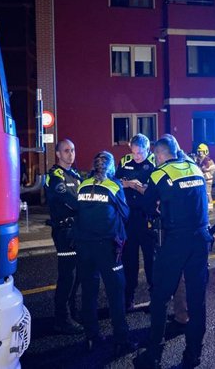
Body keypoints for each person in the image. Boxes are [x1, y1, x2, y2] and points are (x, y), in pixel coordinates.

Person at [134, 135, 213, 369]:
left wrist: (157, 205)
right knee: (197, 302)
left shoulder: (159, 174)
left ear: (159, 155)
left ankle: (153, 357)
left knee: (159, 298)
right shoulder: (194, 168)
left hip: (176, 242)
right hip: (200, 240)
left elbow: (147, 205)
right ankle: (192, 357)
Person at [75, 151, 138, 355]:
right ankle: (121, 339)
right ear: (110, 168)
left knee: (89, 293)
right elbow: (125, 213)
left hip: (84, 246)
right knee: (115, 293)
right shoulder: (113, 185)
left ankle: (91, 336)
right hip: (107, 247)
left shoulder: (83, 185)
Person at [45, 139, 83, 334]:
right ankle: (62, 318)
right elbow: (73, 201)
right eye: (66, 151)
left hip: (77, 230)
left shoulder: (74, 175)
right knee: (67, 276)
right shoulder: (55, 176)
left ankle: (72, 312)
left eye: (73, 150)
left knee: (76, 276)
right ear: (58, 154)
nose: (71, 154)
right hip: (64, 232)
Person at [115, 133, 156, 311]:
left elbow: (155, 191)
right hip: (129, 219)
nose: (136, 156)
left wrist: (139, 187)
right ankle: (128, 297)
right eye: (134, 153)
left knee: (151, 261)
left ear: (147, 149)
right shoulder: (125, 162)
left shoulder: (154, 165)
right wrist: (125, 184)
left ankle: (155, 298)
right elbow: (115, 182)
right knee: (129, 260)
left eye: (140, 153)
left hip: (147, 218)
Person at [195, 143, 215, 212]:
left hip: (207, 180)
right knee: (201, 194)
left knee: (207, 193)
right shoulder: (198, 160)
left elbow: (210, 168)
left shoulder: (208, 161)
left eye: (202, 151)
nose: (200, 153)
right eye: (199, 151)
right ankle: (203, 207)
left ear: (205, 152)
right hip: (201, 180)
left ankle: (210, 208)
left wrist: (204, 169)